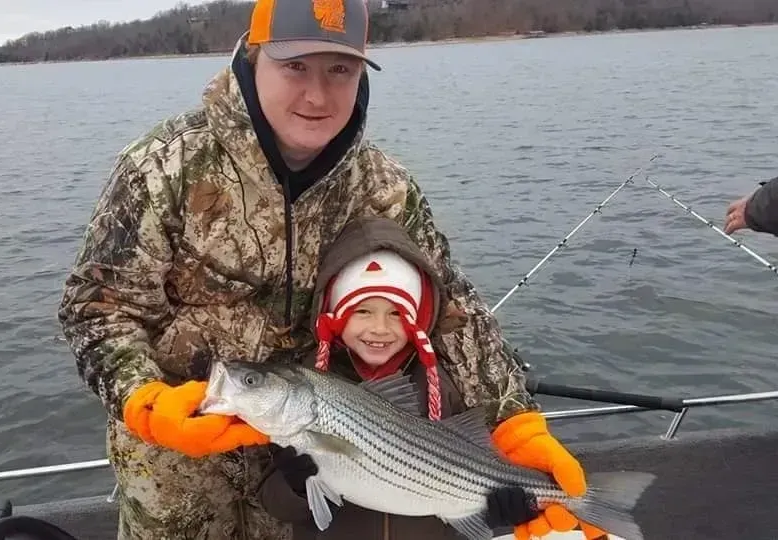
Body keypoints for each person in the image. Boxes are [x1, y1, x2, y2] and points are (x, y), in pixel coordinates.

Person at [56, 0, 593, 538]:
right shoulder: (162, 169)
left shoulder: (385, 188)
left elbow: (454, 312)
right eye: (295, 67)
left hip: (313, 470)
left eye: (340, 69)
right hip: (174, 474)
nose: (317, 95)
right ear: (252, 57)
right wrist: (143, 398)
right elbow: (95, 308)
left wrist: (513, 419)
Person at [253, 215, 606, 540]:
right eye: (362, 311)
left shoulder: (444, 381)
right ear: (334, 316)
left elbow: (473, 460)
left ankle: (591, 501)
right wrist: (295, 487)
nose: (379, 328)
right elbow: (274, 502)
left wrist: (503, 509)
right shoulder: (308, 383)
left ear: (418, 321)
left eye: (397, 314)